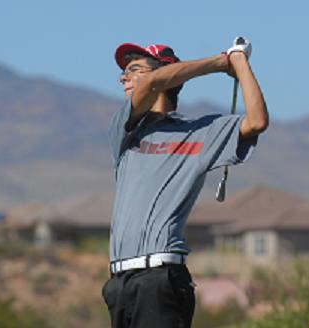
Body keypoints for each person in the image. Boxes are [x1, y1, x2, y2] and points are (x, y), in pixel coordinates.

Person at [102, 37, 269, 328]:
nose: (123, 77)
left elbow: (256, 121)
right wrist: (219, 62)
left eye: (134, 68)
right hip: (119, 284)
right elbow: (148, 86)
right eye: (124, 71)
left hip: (161, 279)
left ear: (166, 73)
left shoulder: (199, 133)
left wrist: (239, 64)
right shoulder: (125, 130)